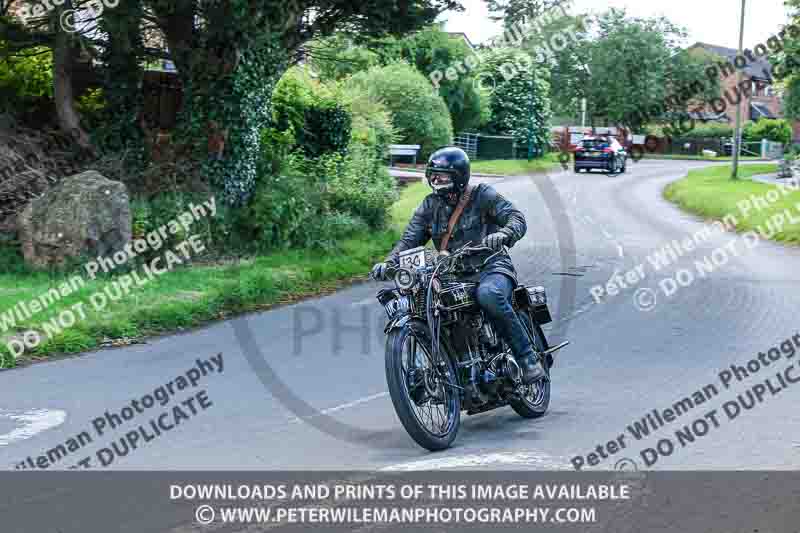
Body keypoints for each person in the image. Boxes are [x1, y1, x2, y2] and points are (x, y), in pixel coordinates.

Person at [371, 146, 546, 385]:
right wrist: (388, 263)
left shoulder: (481, 195)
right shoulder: (429, 206)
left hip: (490, 267)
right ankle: (456, 367)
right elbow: (408, 241)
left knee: (490, 295)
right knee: (425, 303)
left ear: (458, 176)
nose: (435, 180)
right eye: (432, 174)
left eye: (441, 176)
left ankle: (527, 359)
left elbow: (515, 217)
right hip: (452, 276)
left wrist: (504, 234)